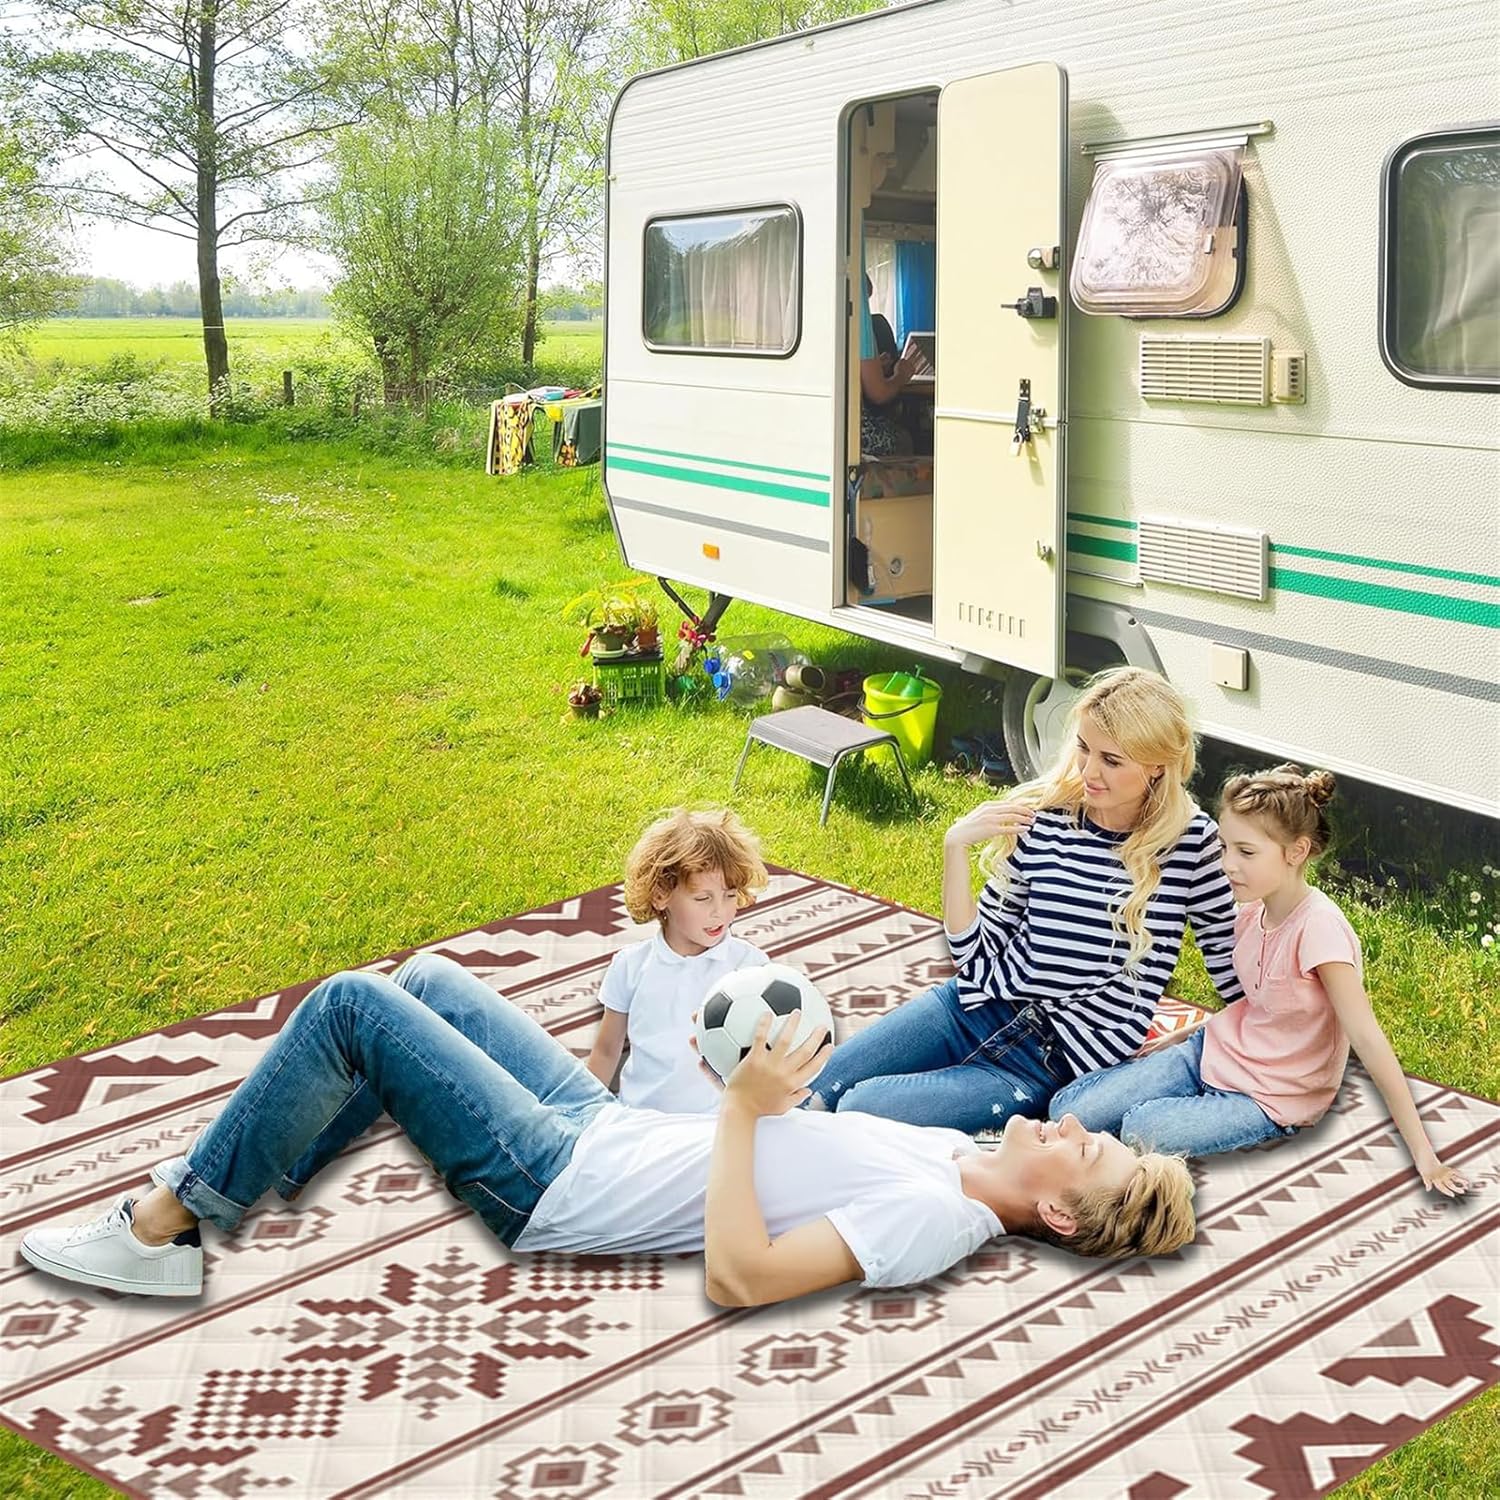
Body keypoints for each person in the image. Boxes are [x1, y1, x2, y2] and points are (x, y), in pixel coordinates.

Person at [19, 955, 1197, 1306]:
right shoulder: (956, 1157)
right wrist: (750, 1082)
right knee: (426, 984)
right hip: (606, 1122)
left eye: (1083, 1149)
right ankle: (250, 1169)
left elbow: (741, 1276)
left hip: (558, 1180)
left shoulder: (939, 1218)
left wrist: (739, 1115)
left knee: (350, 1009)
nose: (1060, 1123)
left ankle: (167, 1225)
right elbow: (803, 1131)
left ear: (1056, 1211)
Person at [806, 667, 1243, 1133]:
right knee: (815, 1085)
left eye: (1111, 760)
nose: (1089, 772)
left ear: (1158, 764)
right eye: (1083, 747)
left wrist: (1203, 1040)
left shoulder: (1193, 843)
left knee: (860, 1109)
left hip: (1043, 1064)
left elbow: (1227, 960)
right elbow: (974, 957)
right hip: (972, 1007)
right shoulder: (1046, 815)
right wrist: (955, 846)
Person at [1046, 766, 1472, 1193]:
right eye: (1225, 847)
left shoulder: (1320, 930)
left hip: (1270, 1095)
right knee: (1068, 1111)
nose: (1228, 865)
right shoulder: (1251, 911)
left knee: (1141, 1128)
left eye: (1246, 853)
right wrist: (1186, 1036)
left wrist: (1425, 1156)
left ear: (1296, 851)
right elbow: (1260, 1004)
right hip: (1211, 1052)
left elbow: (1369, 1040)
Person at [585, 807, 770, 1112]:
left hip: (712, 1129)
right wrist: (585, 1115)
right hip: (639, 1121)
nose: (719, 912)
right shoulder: (630, 966)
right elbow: (606, 1052)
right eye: (703, 898)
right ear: (660, 896)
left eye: (729, 895)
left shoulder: (750, 967)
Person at [860, 270, 916, 457]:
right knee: (905, 438)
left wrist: (876, 367)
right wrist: (901, 375)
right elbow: (879, 394)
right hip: (858, 433)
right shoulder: (860, 325)